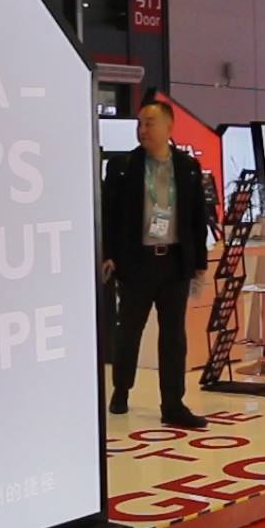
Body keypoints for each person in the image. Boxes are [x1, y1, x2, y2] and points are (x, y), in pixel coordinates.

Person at [101, 100, 210, 430]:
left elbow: (197, 217)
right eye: (140, 124)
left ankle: (173, 404)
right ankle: (121, 389)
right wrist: (108, 254)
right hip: (136, 263)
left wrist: (199, 263)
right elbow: (108, 214)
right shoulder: (123, 167)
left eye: (150, 123)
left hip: (174, 262)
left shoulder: (187, 167)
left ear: (168, 127)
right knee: (129, 331)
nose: (143, 130)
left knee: (174, 336)